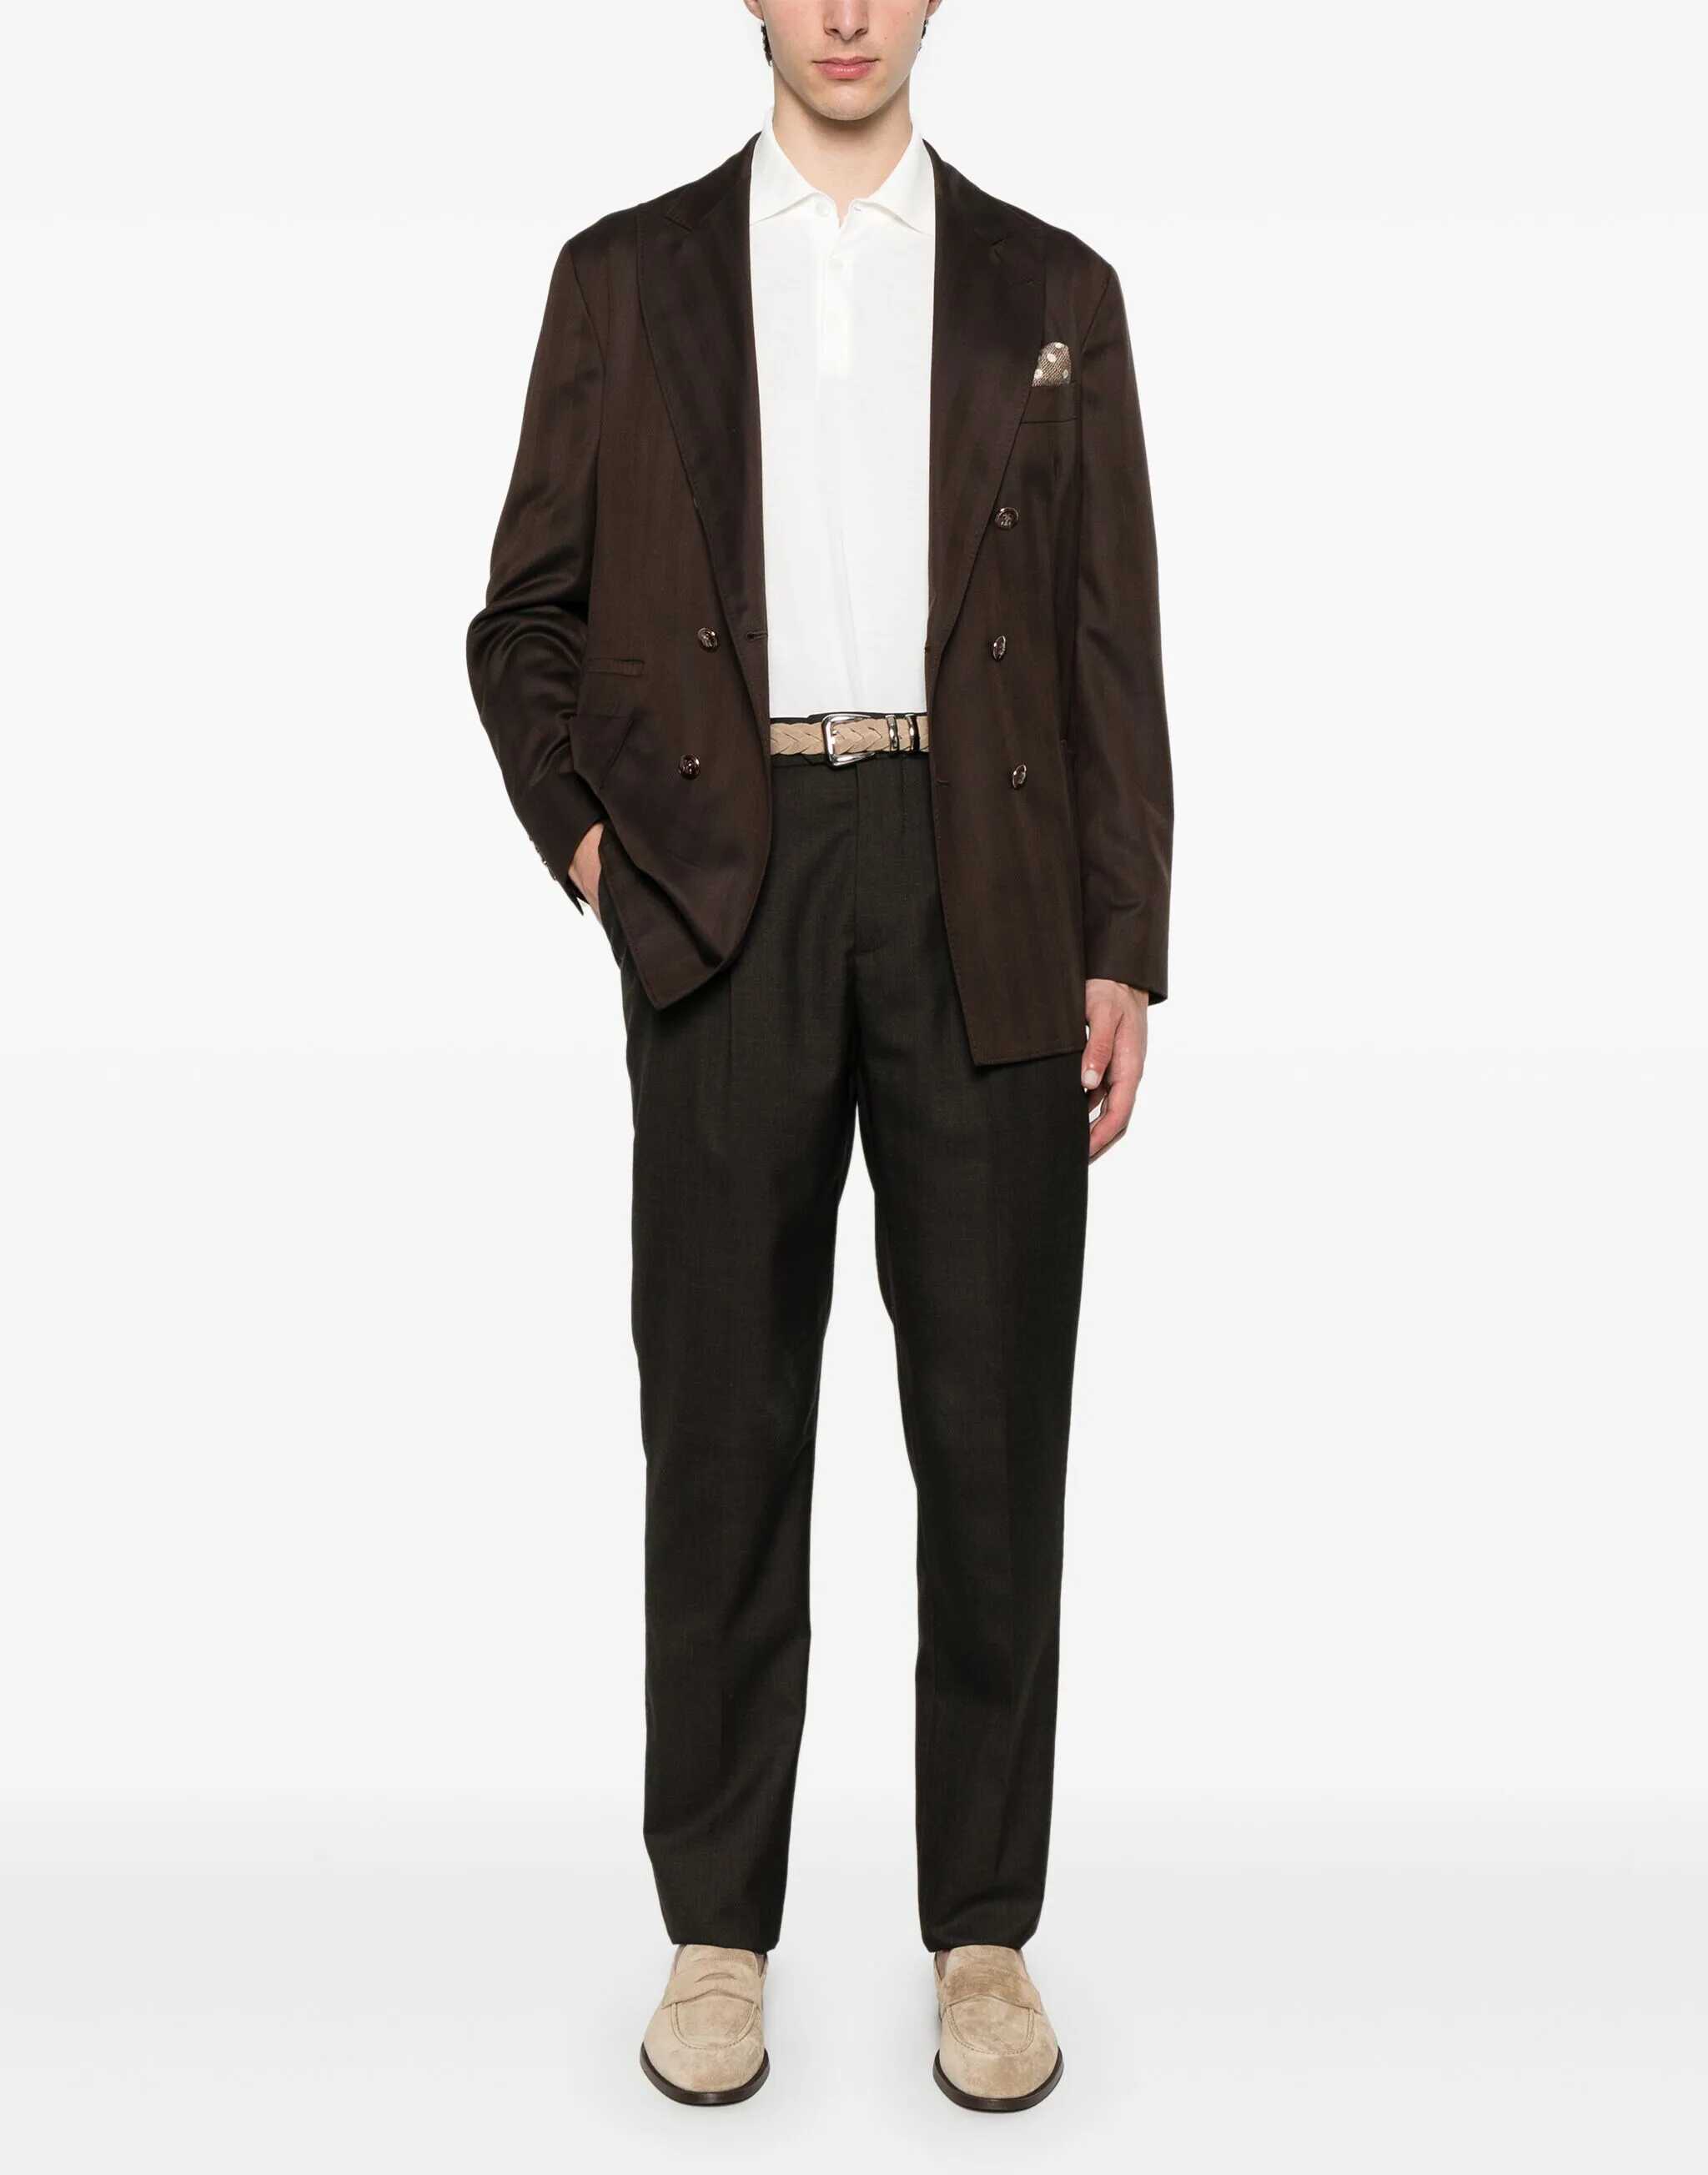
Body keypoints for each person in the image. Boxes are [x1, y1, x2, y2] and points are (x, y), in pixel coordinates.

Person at [465, 0, 1173, 2114]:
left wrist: (1123, 942)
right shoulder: (624, 278)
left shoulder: (1055, 289)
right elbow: (524, 618)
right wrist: (596, 844)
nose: (846, 12)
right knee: (720, 1418)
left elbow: (1111, 638)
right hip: (722, 877)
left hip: (988, 881)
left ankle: (984, 1934)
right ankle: (715, 1928)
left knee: (993, 1428)